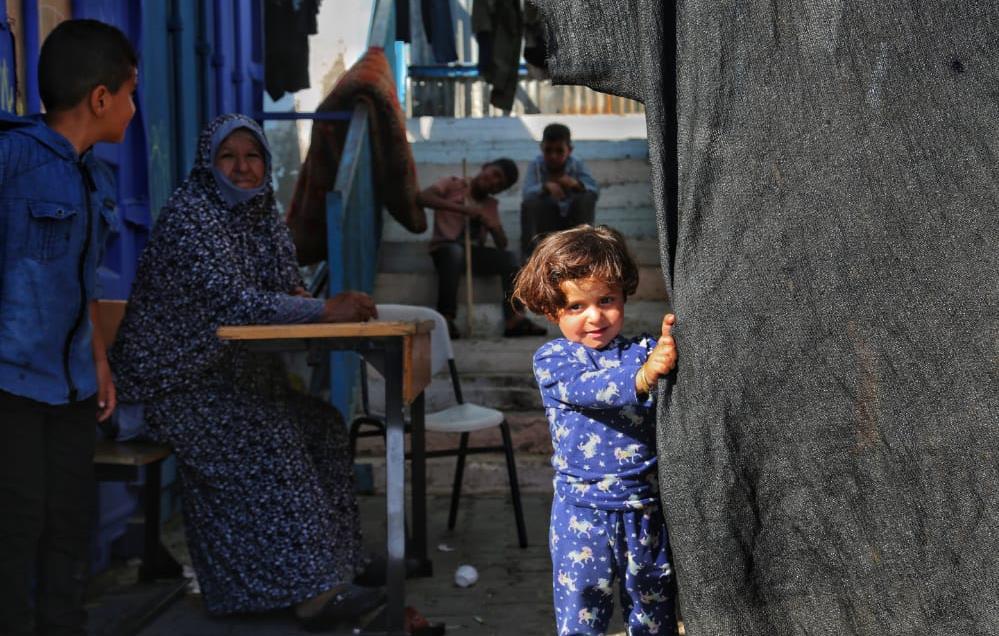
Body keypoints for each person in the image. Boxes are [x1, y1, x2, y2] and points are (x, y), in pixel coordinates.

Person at [109, 114, 384, 630]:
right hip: (173, 384)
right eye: (227, 157)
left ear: (266, 164)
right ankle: (311, 593)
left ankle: (339, 569)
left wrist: (304, 300)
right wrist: (323, 310)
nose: (241, 168)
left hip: (230, 377)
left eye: (251, 156)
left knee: (321, 426)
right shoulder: (191, 216)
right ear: (206, 165)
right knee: (267, 434)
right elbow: (234, 305)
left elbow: (284, 287)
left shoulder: (261, 215)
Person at [0, 20, 137, 635]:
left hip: (74, 390)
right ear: (101, 99)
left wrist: (100, 362)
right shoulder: (12, 159)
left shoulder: (95, 178)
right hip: (11, 387)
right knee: (15, 528)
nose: (135, 111)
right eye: (130, 94)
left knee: (69, 526)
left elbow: (83, 287)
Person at [512, 225, 679, 636]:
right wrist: (643, 377)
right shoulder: (553, 360)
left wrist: (667, 350)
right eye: (575, 306)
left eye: (606, 300)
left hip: (644, 511)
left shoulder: (643, 351)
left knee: (653, 613)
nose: (595, 316)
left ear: (623, 295)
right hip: (582, 515)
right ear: (552, 311)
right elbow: (593, 390)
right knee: (582, 615)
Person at [416, 158, 545, 338]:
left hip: (474, 254)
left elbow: (502, 244)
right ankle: (446, 318)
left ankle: (514, 319)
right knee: (454, 252)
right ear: (485, 166)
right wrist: (463, 210)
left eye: (500, 184)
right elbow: (423, 198)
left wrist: (493, 226)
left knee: (510, 259)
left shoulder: (490, 204)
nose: (494, 182)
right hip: (445, 250)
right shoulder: (453, 183)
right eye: (495, 174)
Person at [520, 123, 599, 259]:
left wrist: (576, 185)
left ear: (570, 150)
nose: (553, 156)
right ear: (541, 148)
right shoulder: (536, 165)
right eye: (548, 151)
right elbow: (526, 194)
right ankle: (530, 257)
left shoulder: (577, 164)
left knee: (586, 198)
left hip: (574, 223)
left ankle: (585, 251)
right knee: (530, 204)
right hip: (547, 224)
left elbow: (594, 190)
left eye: (559, 151)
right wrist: (545, 187)